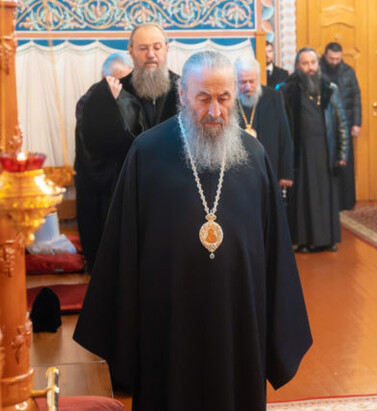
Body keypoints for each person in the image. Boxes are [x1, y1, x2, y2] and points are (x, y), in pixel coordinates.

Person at [73, 51, 312, 410]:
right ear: (183, 94)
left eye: (224, 98)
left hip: (239, 321)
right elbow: (121, 251)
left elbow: (275, 252)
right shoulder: (147, 153)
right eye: (203, 98)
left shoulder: (254, 155)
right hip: (167, 326)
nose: (215, 111)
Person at [77, 23, 180, 270]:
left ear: (167, 49)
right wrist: (109, 109)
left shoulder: (186, 89)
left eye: (157, 47)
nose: (151, 54)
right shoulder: (110, 93)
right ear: (131, 51)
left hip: (175, 199)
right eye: (143, 48)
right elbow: (93, 148)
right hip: (129, 200)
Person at [280, 47, 349, 252]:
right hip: (300, 153)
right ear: (297, 65)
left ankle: (327, 240)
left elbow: (341, 122)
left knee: (325, 196)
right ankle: (303, 240)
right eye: (305, 63)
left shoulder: (330, 88)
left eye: (313, 63)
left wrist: (342, 153)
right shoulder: (288, 90)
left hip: (325, 150)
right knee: (303, 197)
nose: (310, 67)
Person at [74, 52, 133, 273]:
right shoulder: (88, 101)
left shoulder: (129, 99)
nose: (121, 85)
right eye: (116, 79)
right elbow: (92, 146)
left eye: (125, 80)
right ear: (103, 76)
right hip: (95, 189)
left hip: (120, 185)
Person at [235, 56, 294, 189]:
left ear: (258, 78)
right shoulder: (229, 100)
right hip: (238, 170)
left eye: (252, 81)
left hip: (268, 165)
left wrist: (286, 173)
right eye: (242, 82)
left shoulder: (274, 97)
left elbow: (284, 136)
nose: (247, 87)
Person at [320, 42, 361, 210]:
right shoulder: (318, 70)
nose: (334, 61)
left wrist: (357, 123)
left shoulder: (348, 72)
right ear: (325, 55)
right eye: (331, 58)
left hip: (345, 123)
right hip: (326, 124)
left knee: (345, 162)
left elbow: (356, 98)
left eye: (338, 58)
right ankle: (329, 201)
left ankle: (345, 202)